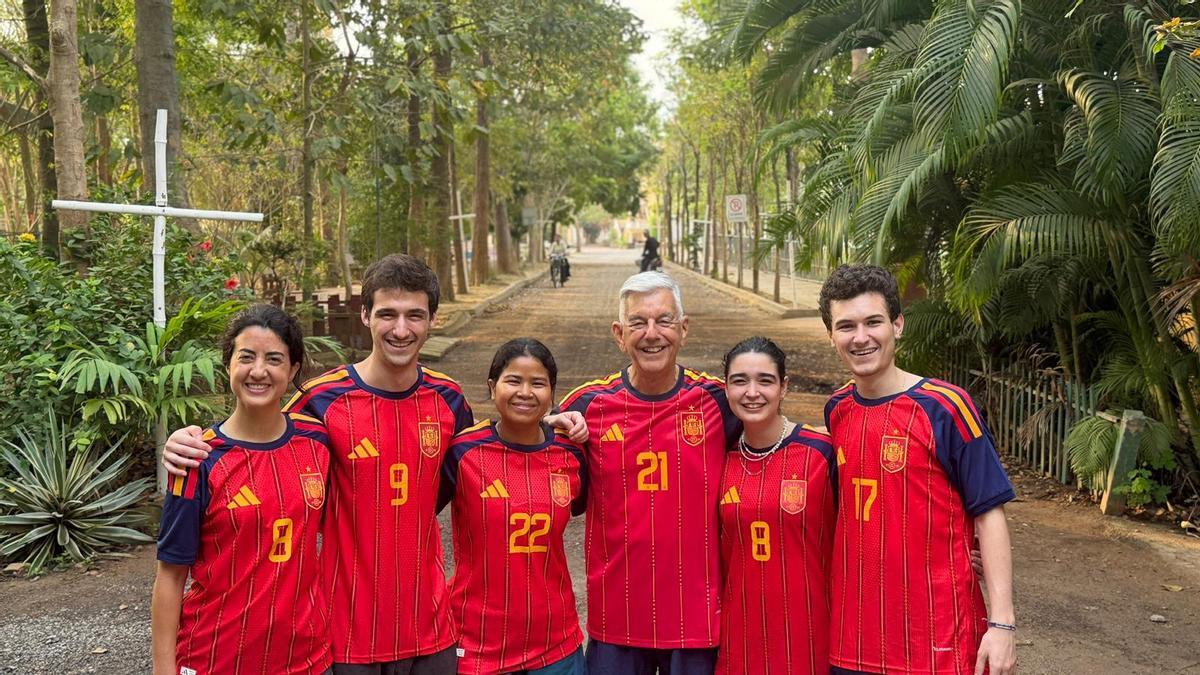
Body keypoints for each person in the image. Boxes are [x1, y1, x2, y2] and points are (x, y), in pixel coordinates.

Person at [161, 254, 586, 674]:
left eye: (414, 315)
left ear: (432, 320)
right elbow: (260, 434)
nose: (401, 329)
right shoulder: (319, 400)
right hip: (344, 635)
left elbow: (491, 456)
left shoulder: (450, 400)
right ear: (365, 315)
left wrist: (549, 424)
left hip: (431, 629)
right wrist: (189, 441)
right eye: (387, 314)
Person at [818, 264, 1017, 675]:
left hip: (937, 637)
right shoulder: (837, 409)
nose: (861, 337)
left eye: (873, 322)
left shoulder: (946, 407)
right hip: (854, 638)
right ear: (831, 337)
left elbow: (989, 511)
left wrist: (1002, 624)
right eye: (846, 326)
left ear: (898, 325)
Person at [560, 271, 739, 674]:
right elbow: (534, 463)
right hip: (617, 617)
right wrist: (551, 428)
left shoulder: (718, 401)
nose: (652, 333)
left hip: (696, 622)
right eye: (638, 322)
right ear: (619, 334)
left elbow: (772, 439)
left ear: (684, 329)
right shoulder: (587, 406)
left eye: (664, 320)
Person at [151, 304, 333, 675]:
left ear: (293, 370)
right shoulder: (197, 459)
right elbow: (170, 576)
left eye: (274, 359)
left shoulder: (318, 442)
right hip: (216, 658)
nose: (258, 371)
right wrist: (162, 669)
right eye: (246, 357)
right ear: (228, 365)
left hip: (306, 660)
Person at [438, 338, 587, 675]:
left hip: (556, 644)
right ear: (493, 387)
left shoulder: (571, 454)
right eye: (513, 380)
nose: (525, 392)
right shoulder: (462, 451)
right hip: (477, 645)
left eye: (538, 383)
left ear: (552, 394)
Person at [716, 337, 836, 675]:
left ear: (784, 387)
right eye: (740, 381)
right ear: (726, 388)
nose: (752, 392)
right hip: (739, 637)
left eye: (765, 380)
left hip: (810, 636)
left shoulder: (821, 453)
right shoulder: (718, 457)